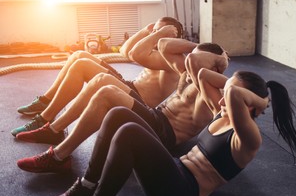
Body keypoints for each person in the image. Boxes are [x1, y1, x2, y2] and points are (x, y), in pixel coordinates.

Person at [50, 69, 296, 196]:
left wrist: (260, 102)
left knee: (129, 132)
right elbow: (203, 73)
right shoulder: (221, 113)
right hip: (174, 169)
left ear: (246, 105)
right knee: (119, 114)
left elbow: (234, 93)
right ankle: (88, 183)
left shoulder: (248, 139)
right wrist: (243, 93)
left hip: (182, 194)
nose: (219, 99)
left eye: (226, 96)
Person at [16, 39, 230, 173]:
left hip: (164, 134)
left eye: (197, 57)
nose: (190, 58)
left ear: (213, 65)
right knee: (102, 84)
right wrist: (200, 47)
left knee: (106, 88)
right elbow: (165, 45)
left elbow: (196, 65)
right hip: (154, 117)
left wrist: (216, 58)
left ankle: (58, 156)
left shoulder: (213, 90)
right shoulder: (188, 73)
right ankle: (54, 133)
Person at [11, 17, 184, 137]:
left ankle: (44, 119)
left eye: (160, 31)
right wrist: (148, 30)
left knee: (82, 66)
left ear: (174, 36)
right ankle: (46, 101)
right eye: (155, 31)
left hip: (137, 100)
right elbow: (125, 50)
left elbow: (134, 54)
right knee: (80, 55)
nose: (154, 34)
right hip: (130, 86)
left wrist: (157, 34)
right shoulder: (156, 49)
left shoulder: (171, 58)